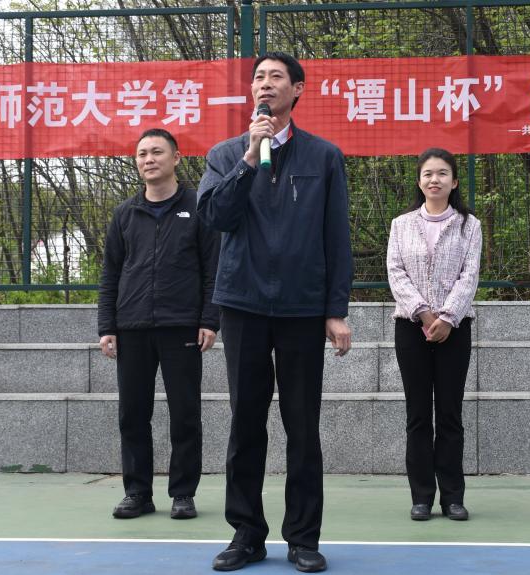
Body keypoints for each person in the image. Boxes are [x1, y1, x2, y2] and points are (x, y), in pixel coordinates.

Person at [197, 51, 353, 573]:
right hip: (242, 303)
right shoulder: (224, 154)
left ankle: (303, 538)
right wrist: (248, 157)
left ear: (297, 89)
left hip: (302, 307)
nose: (265, 84)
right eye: (259, 77)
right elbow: (215, 217)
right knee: (246, 423)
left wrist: (335, 309)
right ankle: (246, 534)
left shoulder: (324, 157)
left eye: (276, 77)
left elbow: (336, 237)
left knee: (302, 426)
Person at [97, 128, 220, 522]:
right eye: (142, 154)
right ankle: (137, 493)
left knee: (185, 414)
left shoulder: (197, 207)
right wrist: (107, 326)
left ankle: (183, 493)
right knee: (133, 414)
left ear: (176, 158)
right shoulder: (125, 213)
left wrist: (209, 319)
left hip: (181, 326)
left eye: (156, 152)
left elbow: (212, 269)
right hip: (131, 326)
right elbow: (111, 273)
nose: (148, 160)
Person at [387, 147, 482, 522]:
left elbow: (469, 276)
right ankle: (422, 497)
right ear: (419, 181)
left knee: (449, 414)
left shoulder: (469, 225)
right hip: (411, 327)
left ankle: (453, 497)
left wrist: (447, 317)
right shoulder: (401, 224)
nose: (434, 180)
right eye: (428, 173)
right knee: (417, 415)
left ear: (454, 182)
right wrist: (424, 314)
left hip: (455, 329)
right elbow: (396, 273)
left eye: (442, 173)